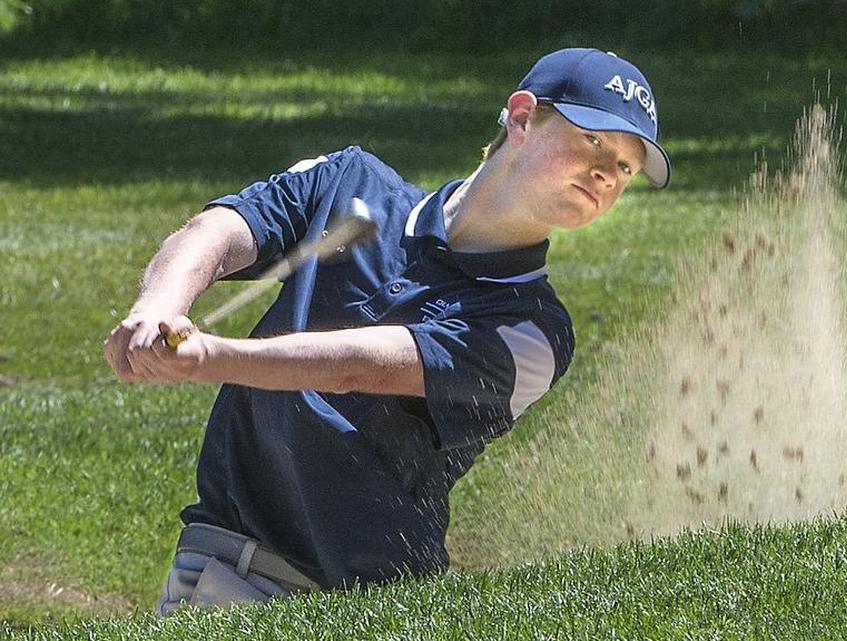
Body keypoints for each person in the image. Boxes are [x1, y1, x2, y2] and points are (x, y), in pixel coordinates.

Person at [102, 48, 670, 616]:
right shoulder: (352, 181)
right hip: (230, 569)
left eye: (625, 167)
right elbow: (222, 227)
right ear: (521, 118)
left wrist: (211, 357)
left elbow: (361, 368)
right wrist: (158, 307)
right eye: (593, 139)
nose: (606, 174)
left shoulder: (536, 332)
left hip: (374, 609)